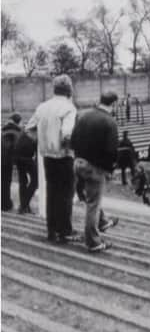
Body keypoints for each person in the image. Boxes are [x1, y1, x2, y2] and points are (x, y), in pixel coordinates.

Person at [25, 74, 79, 243]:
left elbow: (28, 129)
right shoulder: (69, 108)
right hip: (64, 157)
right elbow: (67, 133)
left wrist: (42, 142)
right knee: (66, 195)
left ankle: (52, 230)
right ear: (69, 89)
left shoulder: (42, 107)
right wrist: (68, 148)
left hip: (47, 157)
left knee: (52, 193)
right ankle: (65, 231)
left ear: (54, 89)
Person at [71, 91, 120, 252]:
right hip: (94, 168)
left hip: (77, 162)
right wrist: (110, 169)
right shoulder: (110, 122)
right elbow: (112, 151)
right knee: (93, 203)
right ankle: (93, 241)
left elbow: (72, 141)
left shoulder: (84, 116)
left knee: (91, 197)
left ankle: (103, 221)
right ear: (113, 104)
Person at [14, 128, 38, 214]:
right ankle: (24, 205)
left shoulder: (22, 135)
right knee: (35, 181)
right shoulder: (31, 137)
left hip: (18, 159)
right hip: (27, 159)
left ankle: (24, 206)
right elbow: (36, 150)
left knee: (23, 182)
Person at [1, 113, 22, 211]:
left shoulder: (4, 130)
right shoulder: (16, 132)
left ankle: (4, 203)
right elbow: (16, 148)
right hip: (7, 161)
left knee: (2, 182)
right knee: (6, 182)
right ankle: (5, 204)